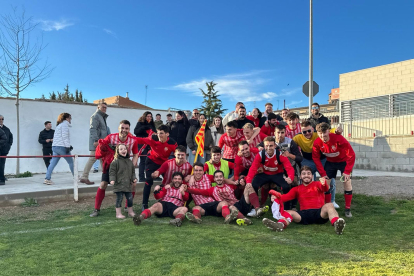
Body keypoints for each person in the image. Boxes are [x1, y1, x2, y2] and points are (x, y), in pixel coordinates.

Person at [262, 166, 346, 235]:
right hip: (304, 215)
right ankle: (279, 225)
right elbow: (285, 197)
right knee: (289, 212)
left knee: (329, 205)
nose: (306, 175)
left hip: (319, 213)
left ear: (312, 176)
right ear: (300, 177)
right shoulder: (297, 189)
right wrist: (276, 197)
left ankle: (337, 224)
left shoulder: (317, 184)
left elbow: (325, 189)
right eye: (304, 174)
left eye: (308, 173)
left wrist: (324, 183)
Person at [90, 120, 139, 217]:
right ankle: (96, 209)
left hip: (125, 167)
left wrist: (132, 166)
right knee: (103, 184)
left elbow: (136, 153)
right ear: (119, 128)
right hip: (112, 165)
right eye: (122, 128)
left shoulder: (133, 140)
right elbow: (101, 147)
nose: (124, 130)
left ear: (129, 130)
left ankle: (127, 207)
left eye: (126, 128)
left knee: (133, 184)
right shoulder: (111, 137)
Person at [187, 170, 268, 226]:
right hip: (230, 208)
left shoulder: (231, 186)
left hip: (240, 204)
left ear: (223, 178)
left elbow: (241, 186)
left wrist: (243, 182)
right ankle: (244, 219)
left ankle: (257, 209)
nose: (219, 178)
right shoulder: (211, 190)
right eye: (217, 177)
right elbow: (198, 191)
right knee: (232, 207)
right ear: (214, 179)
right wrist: (186, 189)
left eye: (220, 176)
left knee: (248, 186)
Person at [293, 121, 340, 208]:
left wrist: (338, 130)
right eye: (304, 132)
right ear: (301, 131)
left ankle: (332, 201)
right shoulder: (297, 138)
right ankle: (307, 200)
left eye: (309, 131)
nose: (307, 133)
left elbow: (331, 130)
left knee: (330, 179)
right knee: (305, 179)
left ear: (312, 129)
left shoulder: (318, 134)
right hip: (307, 160)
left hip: (323, 159)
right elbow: (291, 145)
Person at [313, 122, 356, 218]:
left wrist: (347, 171)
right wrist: (322, 173)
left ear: (329, 131)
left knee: (347, 181)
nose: (323, 136)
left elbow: (351, 154)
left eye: (324, 133)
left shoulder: (338, 138)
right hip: (330, 163)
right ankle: (329, 207)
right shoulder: (317, 143)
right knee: (325, 183)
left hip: (343, 161)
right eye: (320, 133)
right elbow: (316, 158)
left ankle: (347, 209)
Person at [136, 125, 178, 211]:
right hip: (151, 161)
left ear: (167, 134)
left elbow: (178, 153)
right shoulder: (153, 138)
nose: (159, 135)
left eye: (161, 133)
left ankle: (168, 200)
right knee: (148, 181)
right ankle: (144, 204)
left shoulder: (172, 143)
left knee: (169, 181)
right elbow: (140, 140)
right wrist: (128, 138)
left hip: (163, 163)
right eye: (158, 133)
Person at [246, 136, 295, 210]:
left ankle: (287, 208)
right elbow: (253, 168)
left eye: (271, 145)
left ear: (275, 145)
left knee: (286, 187)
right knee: (254, 185)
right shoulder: (260, 155)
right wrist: (248, 181)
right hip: (264, 174)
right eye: (267, 146)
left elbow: (289, 167)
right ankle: (254, 207)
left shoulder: (280, 155)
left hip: (277, 174)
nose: (269, 148)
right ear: (264, 146)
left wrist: (290, 177)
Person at [80, 102, 108, 185]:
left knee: (103, 160)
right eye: (103, 107)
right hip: (98, 143)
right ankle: (84, 177)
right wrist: (96, 140)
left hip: (102, 143)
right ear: (98, 107)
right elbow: (93, 129)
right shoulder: (96, 116)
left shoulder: (101, 117)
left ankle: (105, 178)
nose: (104, 109)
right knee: (92, 158)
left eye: (105, 107)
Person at [44, 113, 74, 185]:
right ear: (66, 118)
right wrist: (68, 147)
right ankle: (76, 177)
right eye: (70, 118)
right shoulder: (64, 126)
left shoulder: (59, 125)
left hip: (55, 146)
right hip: (62, 147)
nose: (70, 120)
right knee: (71, 162)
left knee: (52, 163)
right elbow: (64, 137)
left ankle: (47, 178)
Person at [109, 144, 137, 219]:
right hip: (119, 184)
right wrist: (112, 179)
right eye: (121, 149)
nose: (123, 150)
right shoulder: (115, 162)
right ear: (117, 151)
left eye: (124, 149)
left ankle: (130, 212)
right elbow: (112, 172)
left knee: (130, 198)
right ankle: (118, 213)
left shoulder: (129, 161)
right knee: (119, 198)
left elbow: (132, 171)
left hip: (127, 184)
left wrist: (134, 178)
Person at [134, 111, 157, 182]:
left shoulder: (152, 124)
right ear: (145, 116)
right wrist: (144, 127)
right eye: (148, 116)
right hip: (142, 144)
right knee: (143, 161)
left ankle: (152, 176)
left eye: (150, 116)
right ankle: (141, 177)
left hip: (150, 145)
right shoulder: (140, 123)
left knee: (151, 161)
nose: (149, 118)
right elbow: (136, 132)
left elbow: (155, 133)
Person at [0, 115, 13, 186]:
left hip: (3, 150)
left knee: (1, 165)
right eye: (0, 119)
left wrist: (8, 147)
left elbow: (10, 138)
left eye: (2, 119)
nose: (1, 120)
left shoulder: (6, 129)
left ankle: (1, 179)